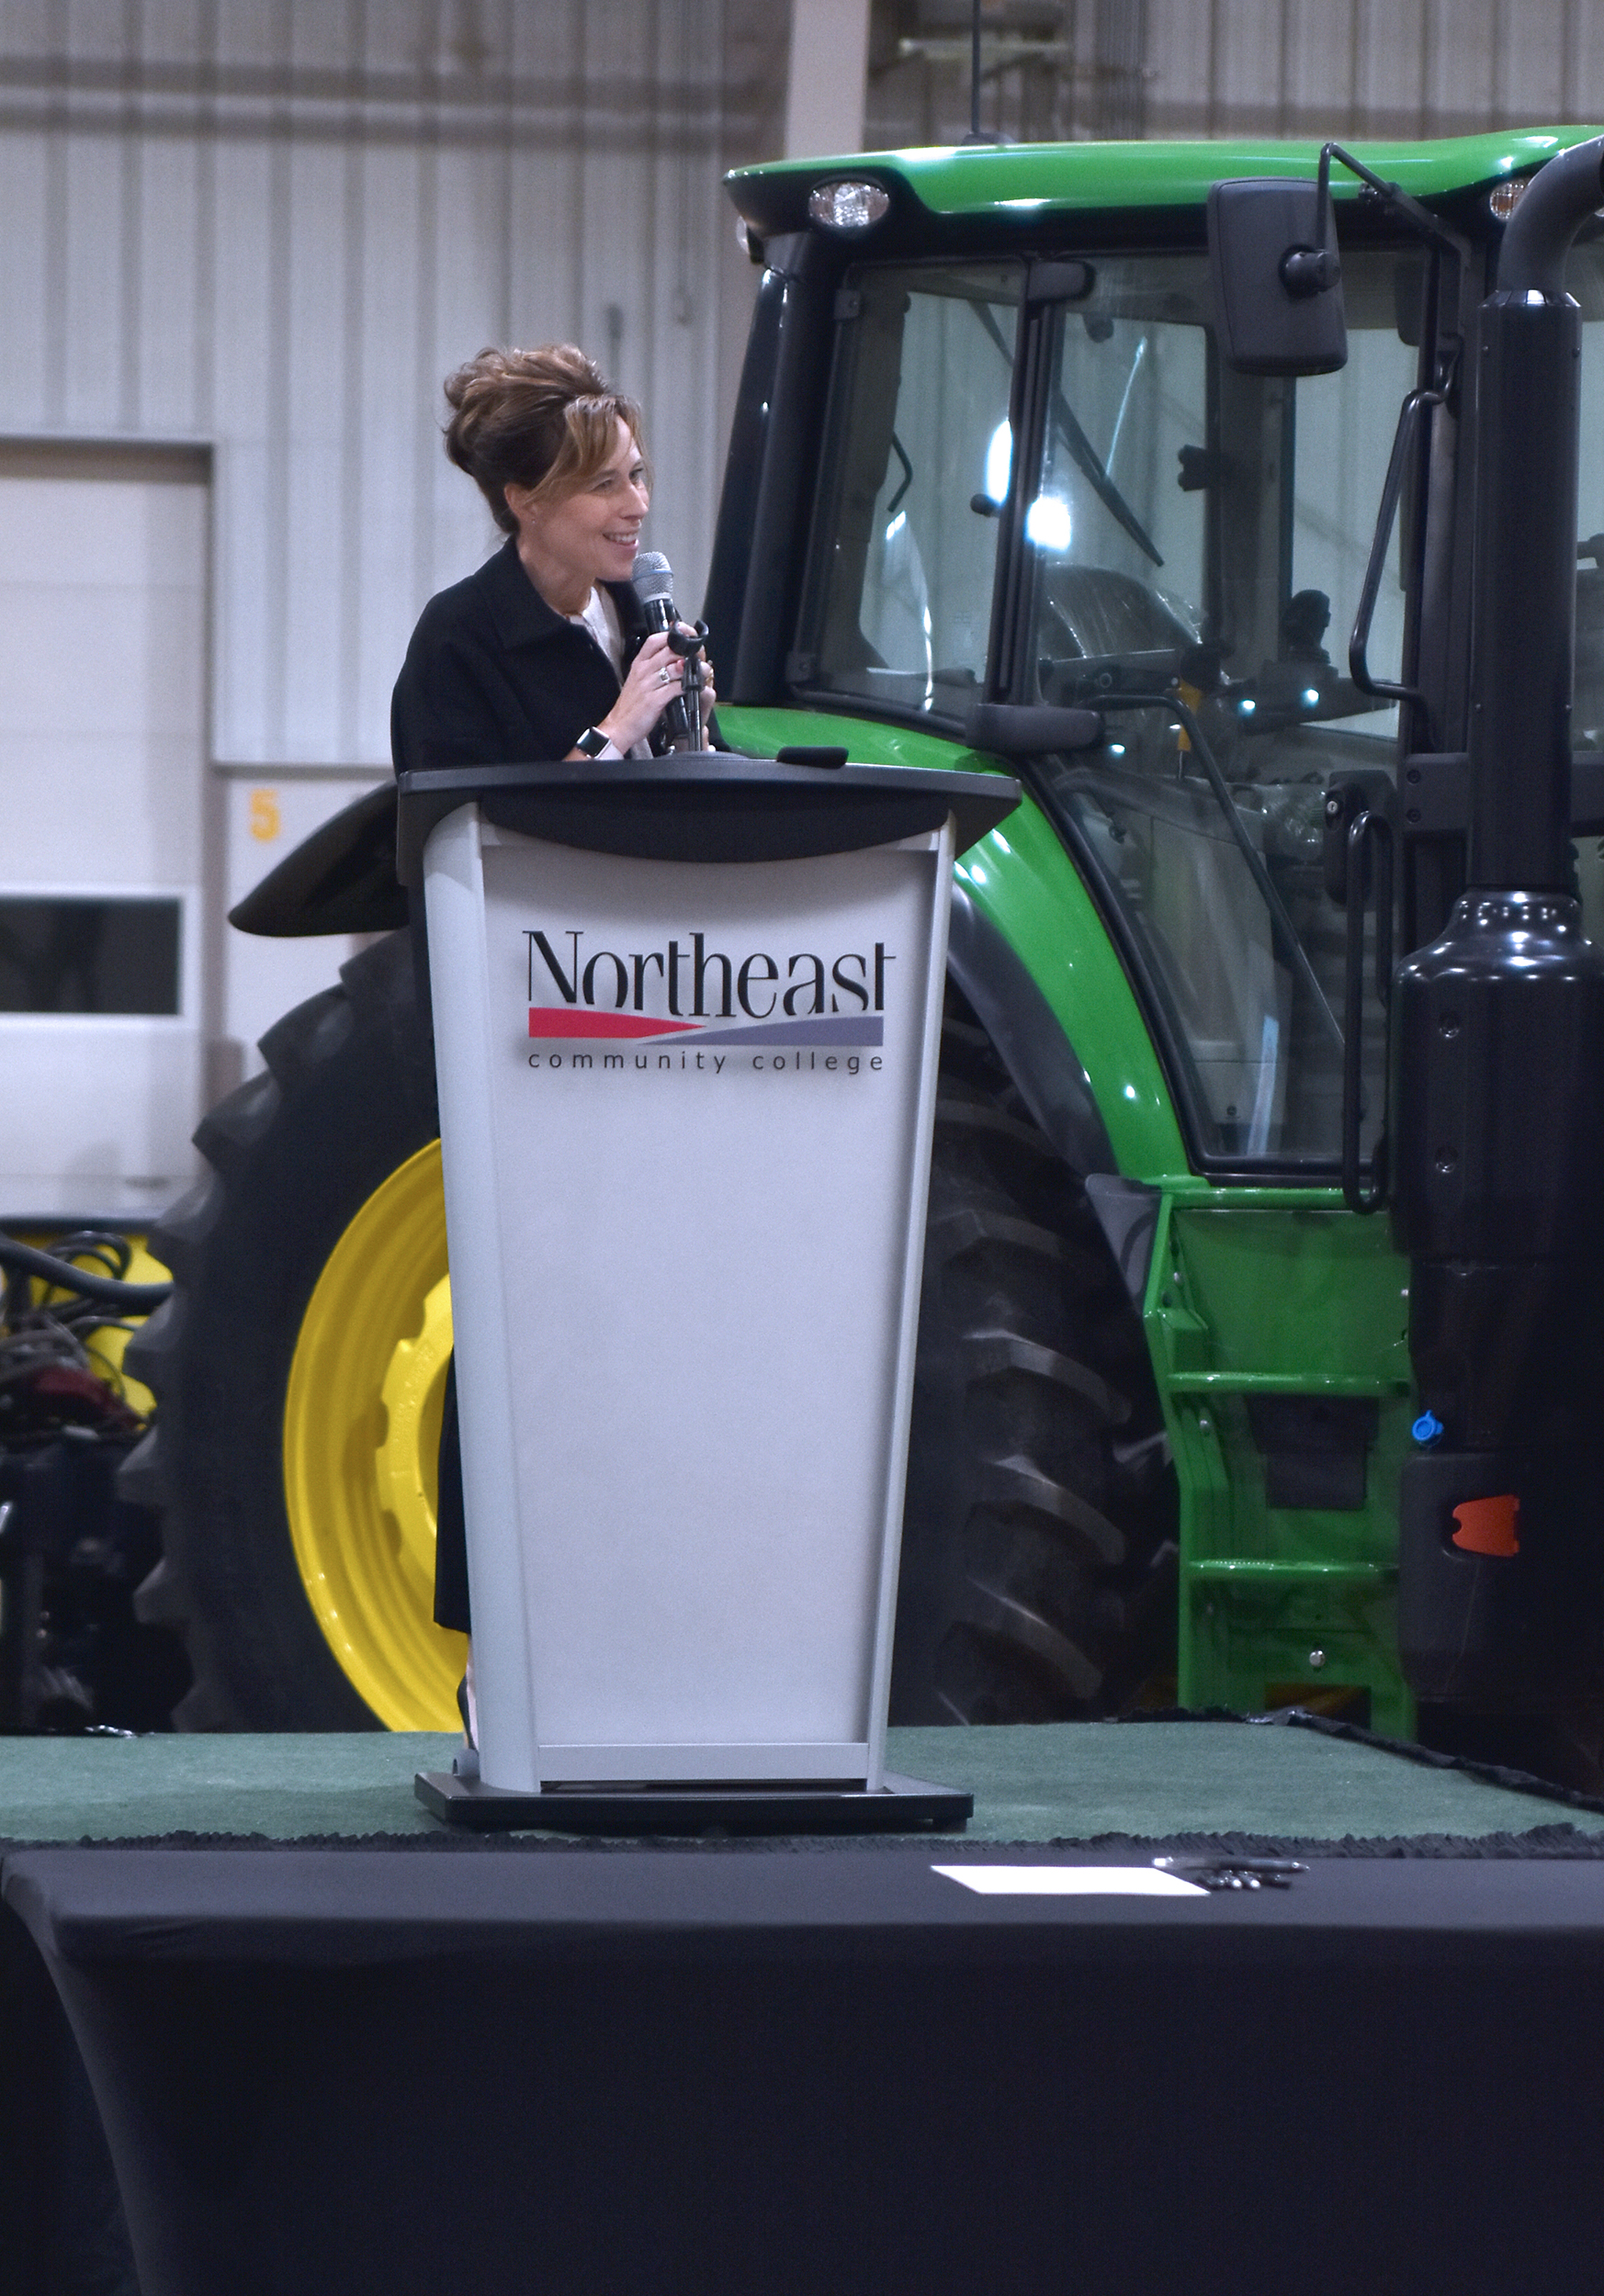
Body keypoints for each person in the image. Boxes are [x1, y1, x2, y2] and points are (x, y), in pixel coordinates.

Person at [390, 345, 716, 1721]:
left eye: (638, 477)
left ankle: (657, 1629)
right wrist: (618, 731)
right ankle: (502, 1665)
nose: (635, 509)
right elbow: (465, 835)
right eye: (603, 487)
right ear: (522, 498)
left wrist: (694, 732)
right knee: (533, 1352)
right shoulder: (459, 642)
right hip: (523, 1035)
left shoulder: (629, 628)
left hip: (653, 1030)